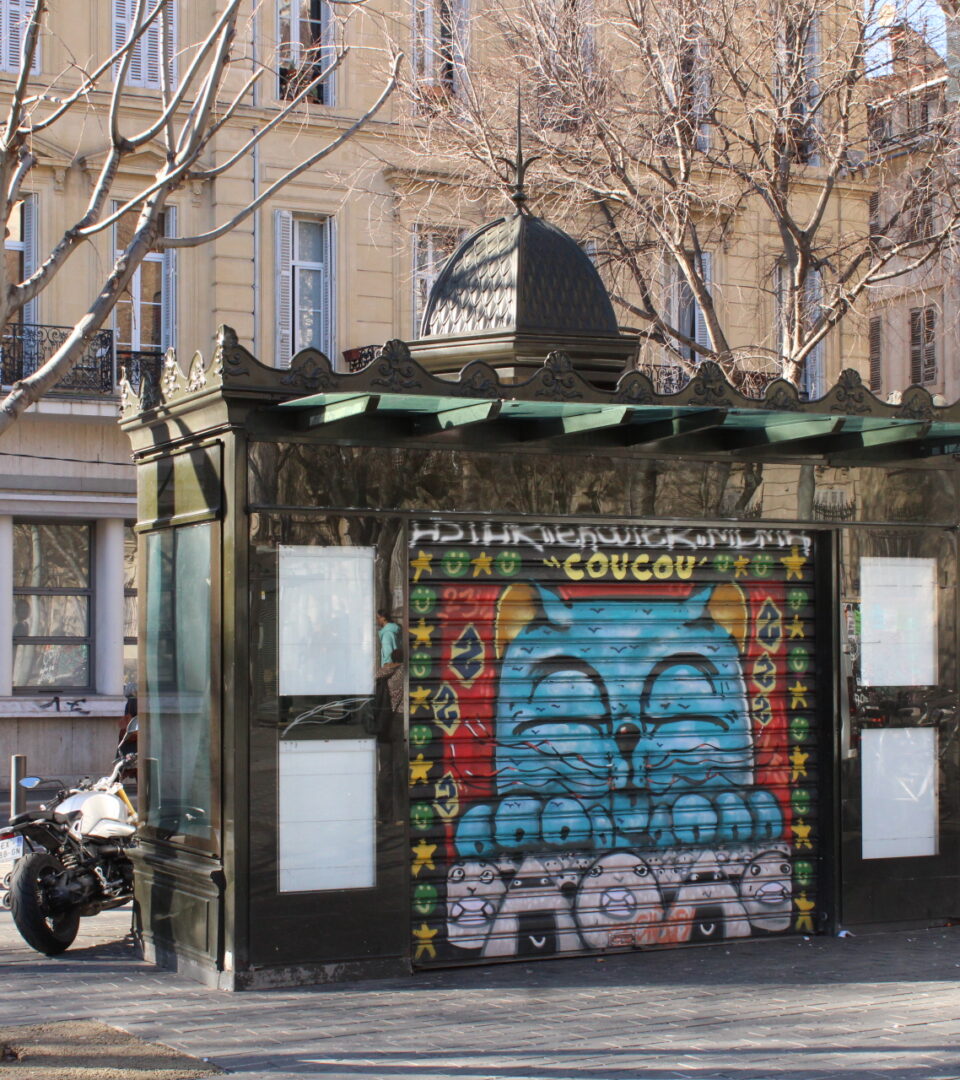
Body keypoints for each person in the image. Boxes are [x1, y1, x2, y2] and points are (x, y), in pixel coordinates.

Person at [375, 611, 404, 716]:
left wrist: (386, 668)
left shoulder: (386, 634)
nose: (376, 620)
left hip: (391, 671)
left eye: (377, 618)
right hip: (399, 668)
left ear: (383, 618)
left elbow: (388, 655)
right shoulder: (395, 631)